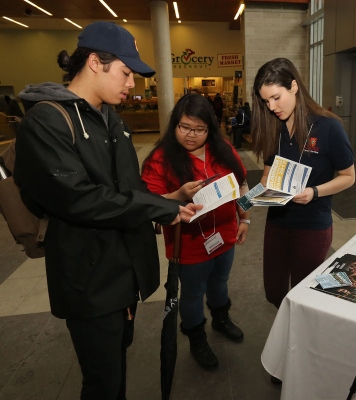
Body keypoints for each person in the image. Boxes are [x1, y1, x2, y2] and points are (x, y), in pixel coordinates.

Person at [13, 22, 202, 400]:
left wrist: (169, 197)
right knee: (103, 382)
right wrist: (159, 207)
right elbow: (80, 199)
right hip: (89, 281)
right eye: (126, 73)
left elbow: (123, 193)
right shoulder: (47, 121)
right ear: (96, 63)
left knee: (117, 364)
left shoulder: (111, 118)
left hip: (123, 274)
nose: (133, 84)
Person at [141, 93, 250, 371]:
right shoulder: (160, 158)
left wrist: (245, 218)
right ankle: (196, 335)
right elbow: (147, 204)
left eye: (200, 129)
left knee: (220, 281)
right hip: (188, 243)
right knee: (192, 293)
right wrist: (177, 194)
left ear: (209, 129)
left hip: (225, 234)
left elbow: (242, 185)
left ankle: (221, 318)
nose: (192, 135)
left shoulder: (223, 149)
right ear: (174, 124)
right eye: (185, 127)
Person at [251, 57, 356, 308]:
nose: (272, 107)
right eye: (266, 101)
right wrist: (244, 200)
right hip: (277, 224)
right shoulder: (273, 128)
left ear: (294, 86)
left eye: (276, 97)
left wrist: (315, 191)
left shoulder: (329, 127)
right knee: (275, 292)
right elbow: (266, 177)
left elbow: (349, 177)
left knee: (304, 296)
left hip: (312, 227)